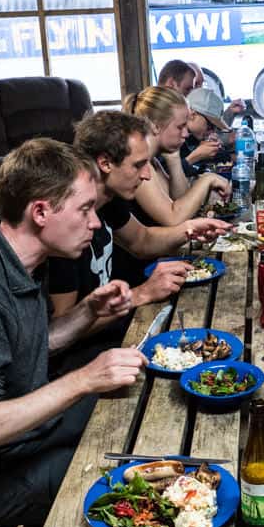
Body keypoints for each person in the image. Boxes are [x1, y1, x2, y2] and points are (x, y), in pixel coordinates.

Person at [0, 138, 147, 527]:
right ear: (41, 212)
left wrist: (87, 313)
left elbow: (27, 347)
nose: (95, 222)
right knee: (142, 479)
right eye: (85, 209)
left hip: (27, 439)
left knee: (139, 405)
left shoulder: (23, 260)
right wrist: (85, 379)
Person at [48, 110, 232, 364]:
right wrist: (142, 293)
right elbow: (59, 332)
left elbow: (141, 241)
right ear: (105, 163)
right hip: (86, 358)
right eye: (138, 165)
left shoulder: (109, 199)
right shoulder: (65, 226)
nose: (147, 175)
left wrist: (189, 229)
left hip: (120, 327)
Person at [123, 86, 231, 226]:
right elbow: (173, 217)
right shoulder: (139, 164)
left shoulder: (154, 161)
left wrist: (173, 157)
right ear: (155, 126)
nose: (186, 134)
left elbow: (181, 201)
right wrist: (207, 179)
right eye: (180, 127)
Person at [181, 87, 230, 174]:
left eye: (216, 127)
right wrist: (195, 157)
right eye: (210, 126)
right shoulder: (173, 136)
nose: (212, 132)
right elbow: (166, 177)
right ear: (193, 114)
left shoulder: (192, 137)